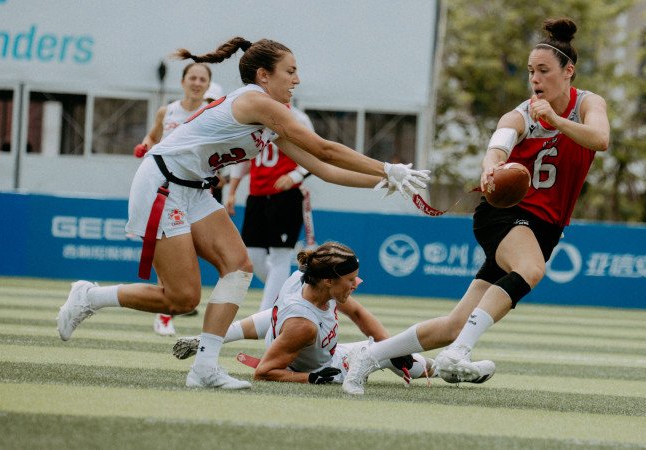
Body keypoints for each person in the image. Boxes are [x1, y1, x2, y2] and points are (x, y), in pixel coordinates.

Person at [56, 36, 430, 390]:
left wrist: (388, 183)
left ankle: (204, 367)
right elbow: (325, 149)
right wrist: (386, 167)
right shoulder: (257, 102)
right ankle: (90, 296)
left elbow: (323, 168)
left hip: (197, 189)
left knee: (239, 268)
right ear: (263, 75)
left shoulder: (271, 116)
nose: (297, 79)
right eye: (290, 71)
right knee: (181, 298)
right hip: (163, 185)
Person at [342, 17, 609, 395]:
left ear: (569, 72)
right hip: (504, 215)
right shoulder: (521, 114)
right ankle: (459, 354)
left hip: (544, 227)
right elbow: (499, 144)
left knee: (453, 324)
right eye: (531, 71)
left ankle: (369, 356)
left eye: (544, 71)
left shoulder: (588, 104)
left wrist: (557, 122)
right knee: (531, 269)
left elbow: (600, 139)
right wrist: (490, 166)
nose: (535, 79)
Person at [171, 241, 440, 385]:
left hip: (295, 331)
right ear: (328, 281)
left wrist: (389, 344)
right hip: (327, 365)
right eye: (351, 279)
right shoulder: (304, 325)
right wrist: (310, 378)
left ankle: (206, 340)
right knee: (410, 364)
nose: (357, 284)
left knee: (274, 318)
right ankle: (444, 370)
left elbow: (358, 315)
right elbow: (263, 372)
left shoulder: (307, 279)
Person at [133, 62, 213, 336]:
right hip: (168, 189)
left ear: (207, 85)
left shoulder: (211, 111)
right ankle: (165, 313)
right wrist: (146, 146)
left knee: (195, 252)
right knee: (171, 248)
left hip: (200, 191)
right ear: (183, 82)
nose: (197, 83)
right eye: (192, 77)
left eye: (202, 79)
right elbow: (152, 136)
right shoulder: (167, 111)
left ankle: (187, 302)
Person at [225, 105, 314, 312]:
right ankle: (290, 296)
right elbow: (244, 156)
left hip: (285, 196)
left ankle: (267, 315)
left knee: (279, 256)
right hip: (257, 195)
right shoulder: (253, 113)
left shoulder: (298, 118)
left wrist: (295, 176)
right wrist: (232, 191)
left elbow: (315, 152)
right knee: (253, 256)